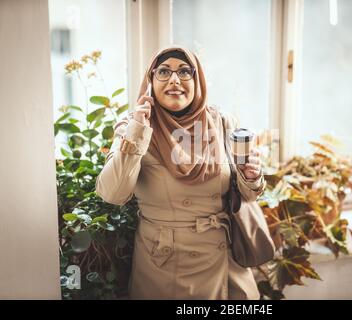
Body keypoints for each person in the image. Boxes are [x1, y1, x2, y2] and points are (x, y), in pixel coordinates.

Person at [96, 46, 266, 299]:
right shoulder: (134, 127)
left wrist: (251, 177)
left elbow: (246, 197)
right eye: (164, 71)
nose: (174, 79)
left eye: (185, 71)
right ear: (151, 80)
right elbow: (113, 193)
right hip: (167, 266)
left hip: (225, 261)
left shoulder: (221, 122)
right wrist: (137, 131)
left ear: (198, 81)